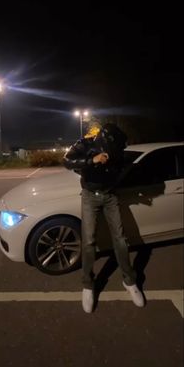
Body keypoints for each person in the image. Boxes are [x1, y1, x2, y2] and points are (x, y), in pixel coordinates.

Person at [63, 122, 144, 313]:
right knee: (89, 241)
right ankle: (88, 285)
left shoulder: (117, 150)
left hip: (110, 196)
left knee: (121, 240)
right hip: (90, 197)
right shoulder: (85, 143)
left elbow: (123, 167)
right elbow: (67, 161)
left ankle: (130, 281)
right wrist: (93, 161)